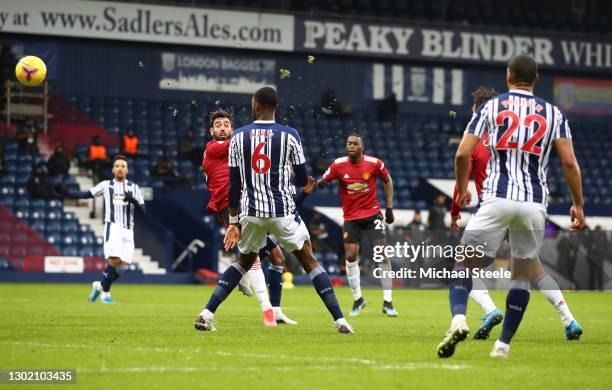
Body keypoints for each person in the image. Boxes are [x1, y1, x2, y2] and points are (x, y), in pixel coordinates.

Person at [436, 55, 585, 360]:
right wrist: (578, 205)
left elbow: (462, 155)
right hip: (533, 203)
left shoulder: (491, 108)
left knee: (462, 264)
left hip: (496, 199)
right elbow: (569, 163)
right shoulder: (554, 113)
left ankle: (459, 319)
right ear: (537, 78)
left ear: (508, 76)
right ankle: (502, 346)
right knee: (523, 273)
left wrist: (462, 189)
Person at [195, 87, 353, 334]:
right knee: (309, 260)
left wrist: (234, 222)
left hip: (250, 211)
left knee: (243, 262)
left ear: (255, 105)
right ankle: (341, 321)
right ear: (276, 106)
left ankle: (207, 313)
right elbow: (301, 179)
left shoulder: (239, 137)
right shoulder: (290, 135)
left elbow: (235, 184)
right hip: (281, 209)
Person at [202, 109, 314, 325]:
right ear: (211, 131)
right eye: (218, 125)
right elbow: (250, 147)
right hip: (229, 204)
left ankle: (276, 309)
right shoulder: (213, 147)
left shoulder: (235, 145)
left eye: (226, 124)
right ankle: (267, 313)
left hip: (249, 201)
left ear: (231, 128)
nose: (223, 128)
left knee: (278, 259)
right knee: (252, 257)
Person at [317, 134, 398, 317]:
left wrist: (390, 207)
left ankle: (388, 301)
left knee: (382, 253)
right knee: (351, 256)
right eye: (349, 144)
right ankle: (358, 299)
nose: (351, 146)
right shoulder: (338, 165)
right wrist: (321, 183)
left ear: (362, 146)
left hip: (372, 214)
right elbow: (325, 178)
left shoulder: (374, 163)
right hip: (351, 218)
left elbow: (388, 180)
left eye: (355, 144)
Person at [59, 155, 144, 304]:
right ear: (113, 169)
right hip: (114, 227)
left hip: (128, 230)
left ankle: (99, 285)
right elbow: (86, 194)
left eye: (123, 166)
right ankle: (106, 294)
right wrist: (66, 192)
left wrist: (133, 200)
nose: (120, 168)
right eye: (117, 166)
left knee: (123, 267)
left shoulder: (134, 188)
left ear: (127, 170)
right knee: (114, 260)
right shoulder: (106, 185)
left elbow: (143, 211)